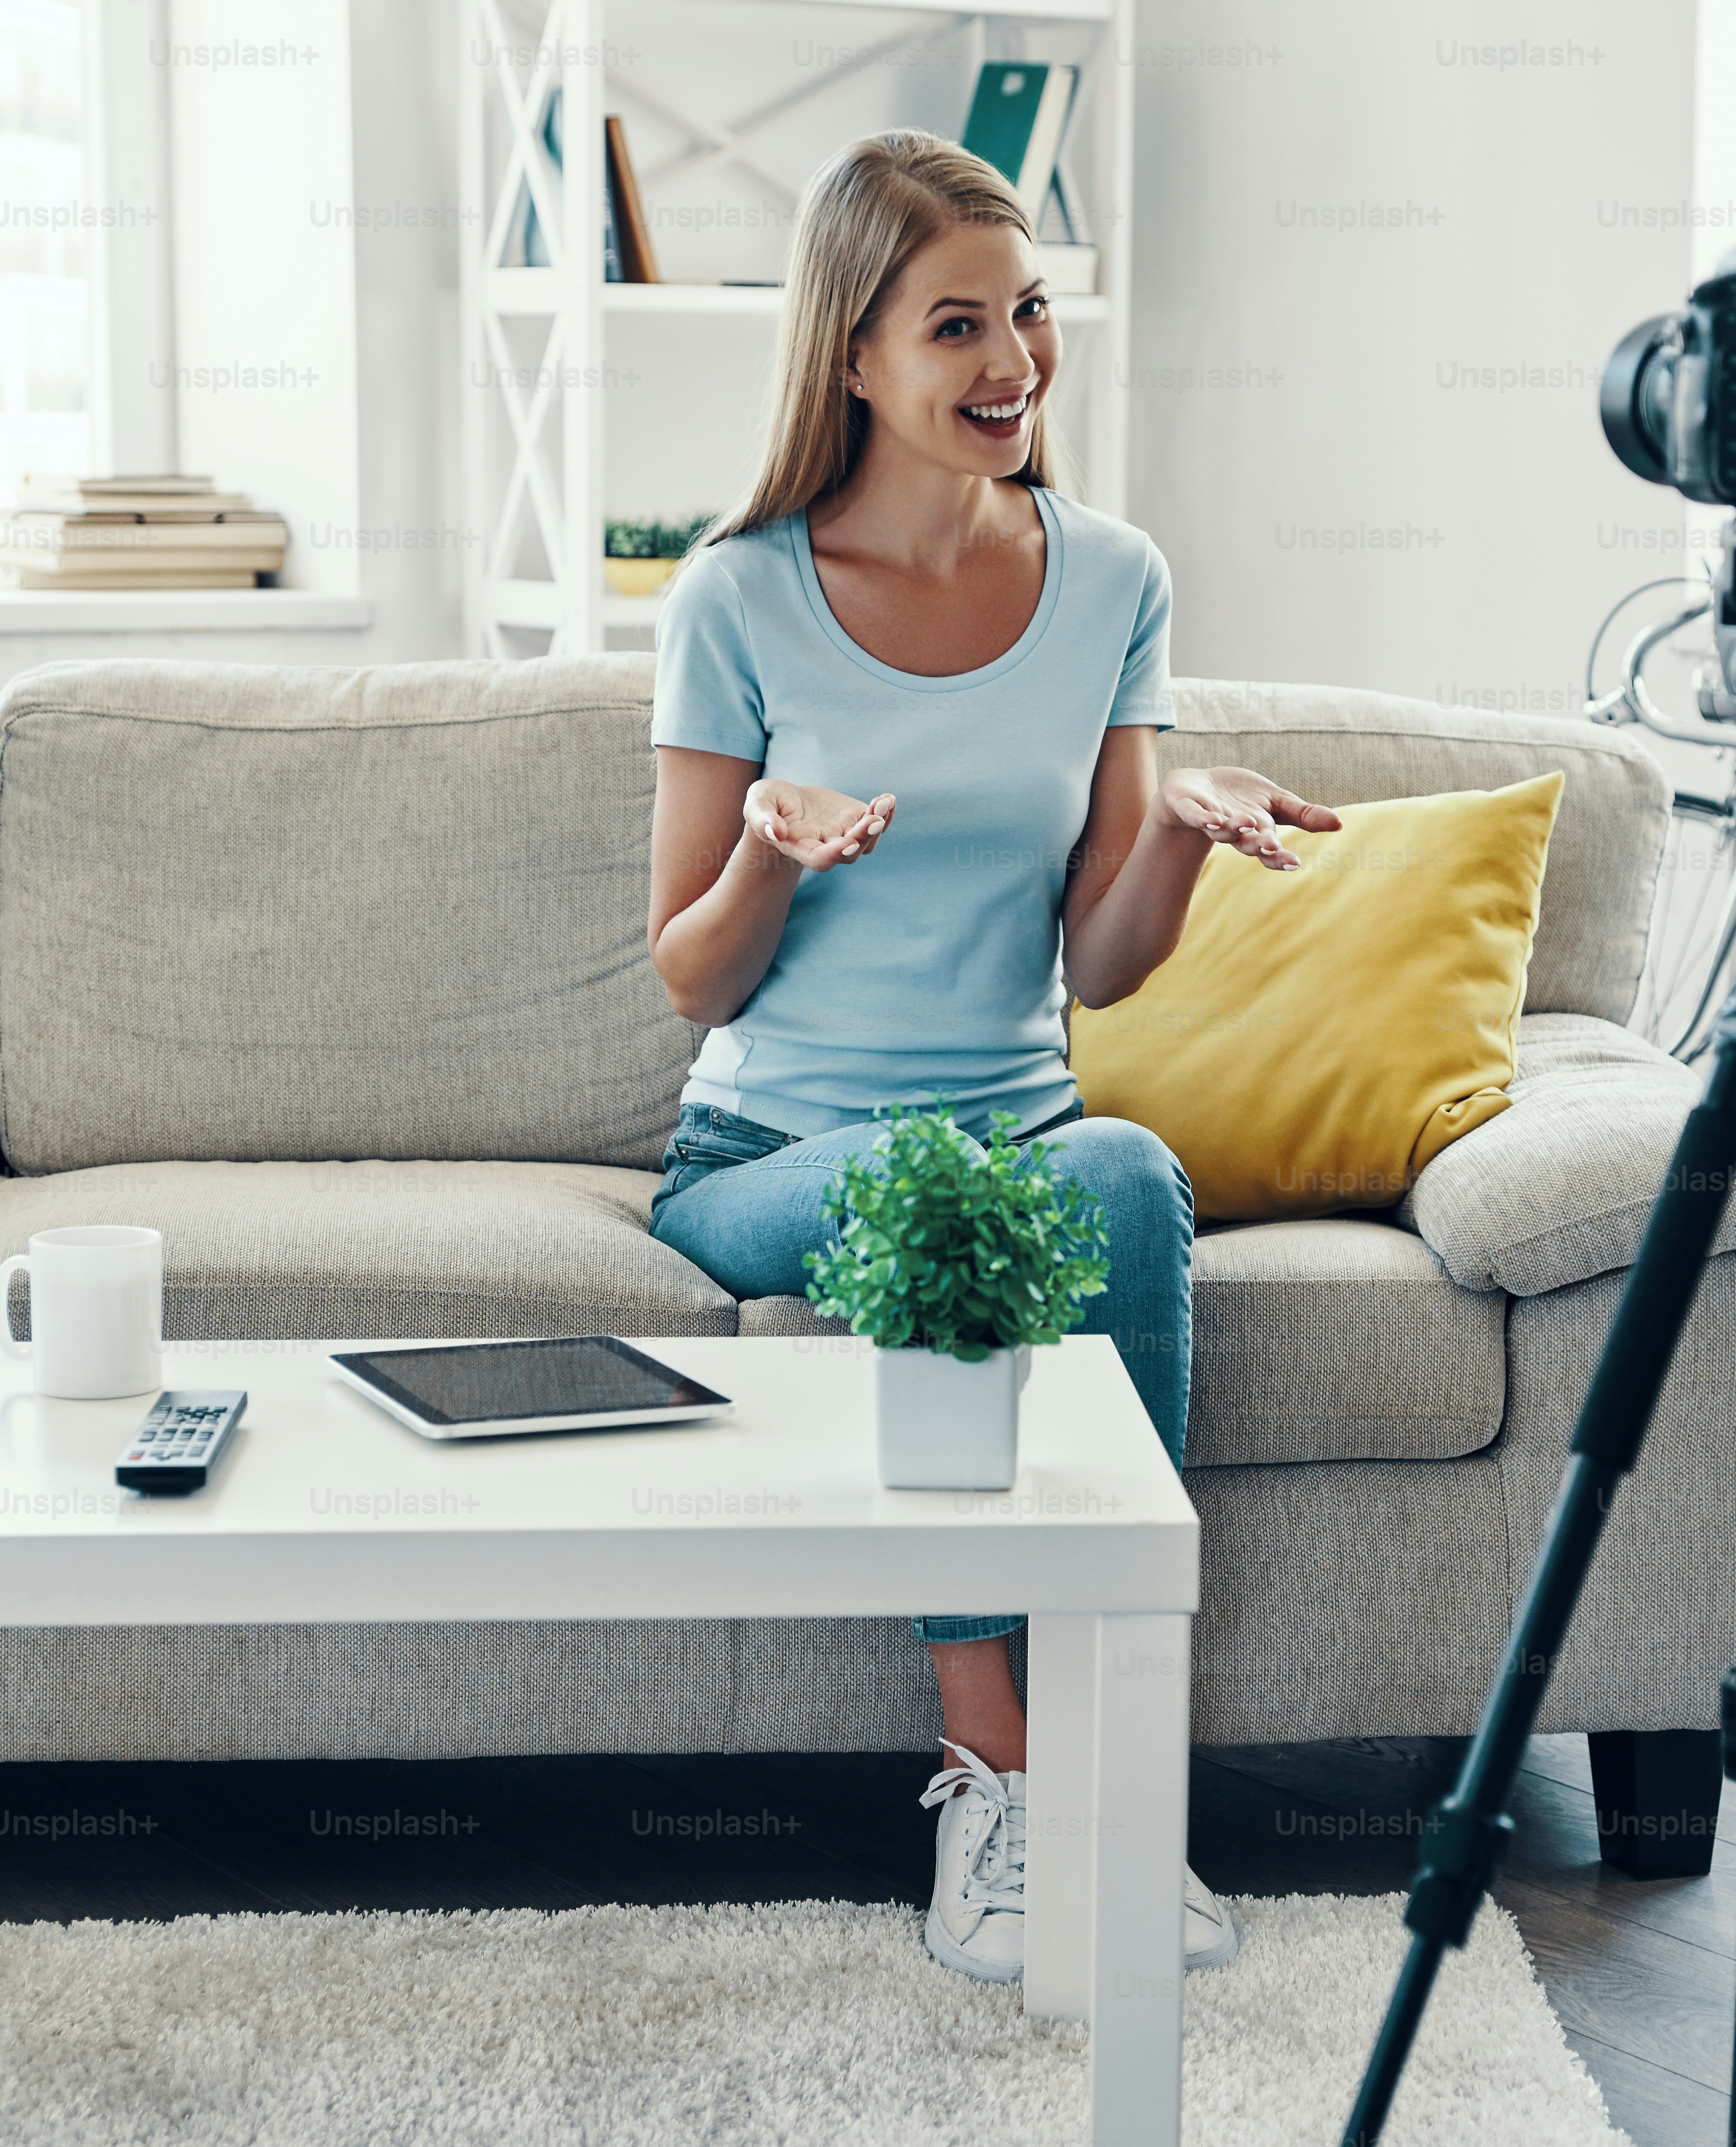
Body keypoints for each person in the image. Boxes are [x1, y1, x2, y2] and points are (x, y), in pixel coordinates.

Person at [641, 129, 1338, 1986]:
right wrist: (767, 855)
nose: (1013, 359)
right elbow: (691, 982)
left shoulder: (1111, 580)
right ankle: (1001, 1778)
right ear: (852, 354)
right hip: (769, 1157)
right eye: (956, 324)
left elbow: (1100, 970)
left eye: (1026, 311)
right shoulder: (735, 596)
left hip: (1025, 1134)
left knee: (1117, 1168)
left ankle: (1112, 1772)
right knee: (932, 1186)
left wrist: (1174, 830)